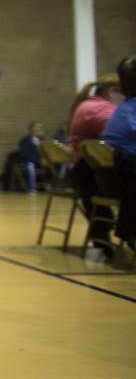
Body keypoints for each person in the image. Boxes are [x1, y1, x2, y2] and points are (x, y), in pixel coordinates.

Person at [68, 73, 122, 253]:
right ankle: (126, 232)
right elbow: (120, 136)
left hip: (85, 175)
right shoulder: (100, 109)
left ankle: (105, 234)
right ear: (113, 91)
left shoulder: (87, 105)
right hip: (96, 177)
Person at [101, 56, 136, 251]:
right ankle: (130, 230)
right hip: (126, 176)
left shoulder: (125, 106)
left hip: (116, 176)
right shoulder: (132, 108)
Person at [16, 122, 44, 193]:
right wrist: (36, 160)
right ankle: (32, 188)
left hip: (37, 162)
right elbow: (24, 154)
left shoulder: (40, 141)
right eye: (37, 128)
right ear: (31, 129)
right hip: (27, 162)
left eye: (40, 128)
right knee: (30, 167)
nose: (38, 130)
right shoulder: (25, 140)